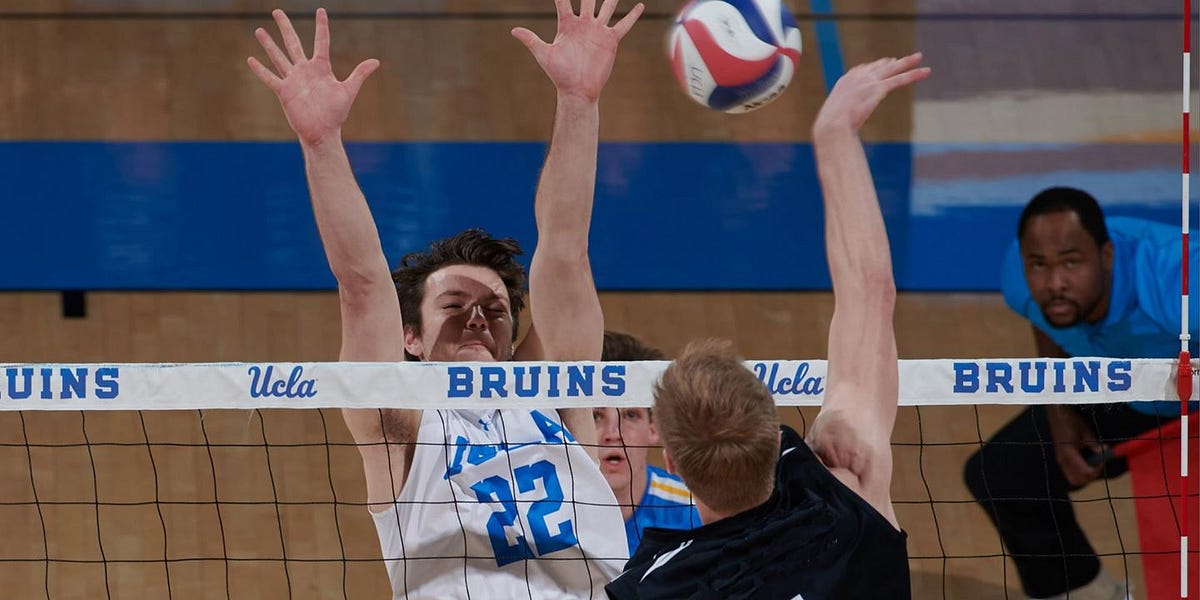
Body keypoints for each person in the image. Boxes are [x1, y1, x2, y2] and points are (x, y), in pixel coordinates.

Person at [248, 2, 643, 598]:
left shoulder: (558, 395)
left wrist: (578, 102)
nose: (477, 317)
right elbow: (362, 285)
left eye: (496, 309)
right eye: (453, 306)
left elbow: (564, 252)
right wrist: (321, 142)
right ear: (410, 336)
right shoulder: (403, 426)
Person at [606, 54, 926, 599]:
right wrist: (836, 134)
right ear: (774, 435)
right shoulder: (843, 499)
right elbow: (870, 292)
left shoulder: (652, 589)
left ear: (672, 463)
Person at [964, 187, 1200, 600]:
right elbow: (1046, 318)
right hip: (1121, 387)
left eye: (1072, 263)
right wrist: (1058, 412)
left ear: (1106, 256)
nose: (1054, 283)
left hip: (1192, 405)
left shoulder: (1180, 282)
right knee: (1004, 474)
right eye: (1039, 264)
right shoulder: (1021, 277)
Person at [594, 331, 700, 555]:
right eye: (596, 416)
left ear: (654, 428)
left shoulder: (695, 511)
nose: (613, 433)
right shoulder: (542, 512)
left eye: (630, 415)